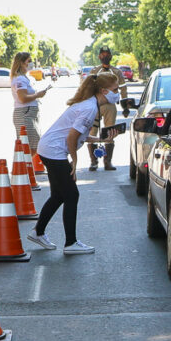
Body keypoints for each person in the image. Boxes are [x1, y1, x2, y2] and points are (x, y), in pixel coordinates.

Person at [27, 72, 122, 255]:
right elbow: (72, 137)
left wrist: (104, 140)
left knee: (59, 195)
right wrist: (74, 162)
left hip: (49, 149)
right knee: (71, 194)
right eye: (115, 90)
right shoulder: (89, 108)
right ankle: (70, 243)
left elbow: (82, 135)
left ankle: (38, 232)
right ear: (103, 91)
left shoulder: (90, 105)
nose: (118, 93)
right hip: (54, 151)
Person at [87, 46, 129, 171]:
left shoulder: (116, 72)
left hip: (110, 106)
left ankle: (107, 161)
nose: (105, 57)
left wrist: (125, 106)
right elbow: (86, 88)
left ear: (111, 56)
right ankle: (94, 161)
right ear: (99, 56)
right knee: (92, 133)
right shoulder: (95, 71)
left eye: (107, 54)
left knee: (110, 131)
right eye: (102, 54)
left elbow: (123, 89)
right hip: (95, 105)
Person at [10, 51, 49, 147]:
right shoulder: (20, 79)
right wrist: (37, 95)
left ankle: (29, 162)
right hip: (25, 115)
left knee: (32, 145)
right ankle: (29, 162)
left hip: (29, 114)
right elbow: (22, 98)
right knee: (32, 146)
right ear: (22, 63)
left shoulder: (25, 77)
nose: (32, 63)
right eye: (29, 61)